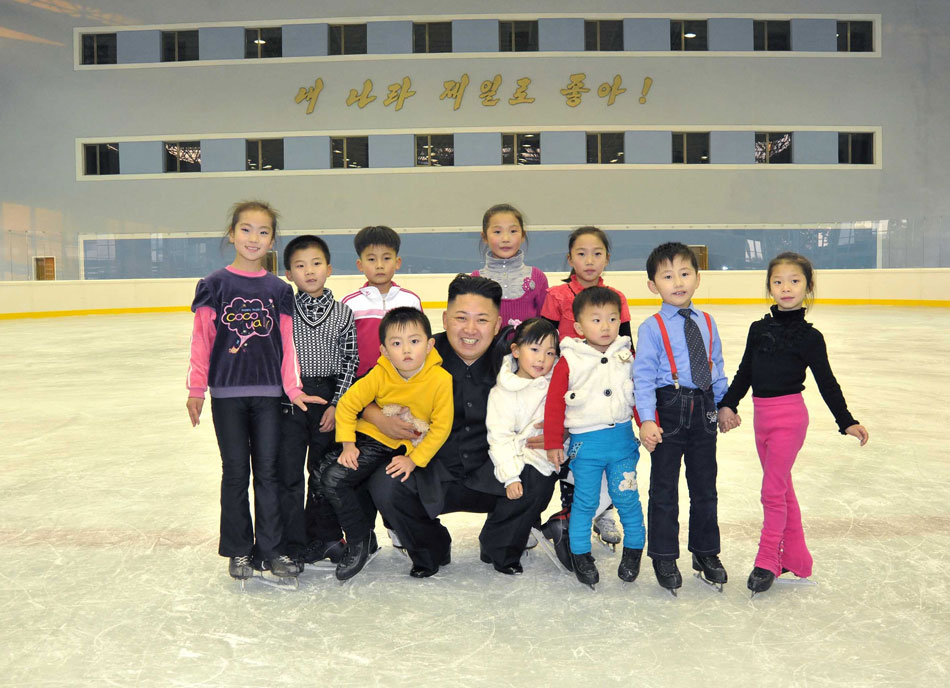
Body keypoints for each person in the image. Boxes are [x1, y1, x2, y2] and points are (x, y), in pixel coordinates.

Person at [365, 274, 556, 577]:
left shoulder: (517, 359)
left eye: (482, 320)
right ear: (444, 318)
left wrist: (561, 430)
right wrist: (376, 416)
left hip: (497, 474)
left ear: (497, 325)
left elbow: (573, 391)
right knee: (386, 484)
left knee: (543, 469)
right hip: (434, 471)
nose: (470, 330)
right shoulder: (418, 352)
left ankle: (501, 545)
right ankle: (430, 547)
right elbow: (363, 393)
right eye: (460, 318)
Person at [185, 201, 322, 584]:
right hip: (226, 395)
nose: (253, 238)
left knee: (268, 473)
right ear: (232, 234)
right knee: (234, 473)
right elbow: (202, 340)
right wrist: (197, 388)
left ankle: (272, 548)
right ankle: (239, 549)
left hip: (268, 397)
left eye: (263, 232)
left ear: (272, 241)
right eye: (246, 229)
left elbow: (286, 345)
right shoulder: (214, 285)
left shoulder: (279, 289)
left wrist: (291, 388)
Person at [717, 252, 869, 596]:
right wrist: (728, 403)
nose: (786, 288)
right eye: (778, 281)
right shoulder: (758, 330)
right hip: (761, 418)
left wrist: (846, 420)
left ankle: (768, 558)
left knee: (771, 491)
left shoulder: (809, 338)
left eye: (795, 281)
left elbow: (826, 382)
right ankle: (797, 559)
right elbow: (746, 373)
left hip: (790, 418)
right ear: (769, 286)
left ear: (808, 287)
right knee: (782, 488)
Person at [321, 307, 453, 581]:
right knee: (325, 475)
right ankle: (356, 538)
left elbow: (441, 427)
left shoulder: (441, 380)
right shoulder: (380, 374)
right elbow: (348, 404)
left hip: (399, 447)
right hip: (368, 439)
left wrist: (414, 459)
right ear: (383, 350)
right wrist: (348, 444)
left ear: (429, 345)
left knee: (346, 482)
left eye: (414, 341)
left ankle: (369, 541)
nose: (406, 350)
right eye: (396, 343)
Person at [633, 241, 729, 595]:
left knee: (705, 487)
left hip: (703, 409)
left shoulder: (707, 321)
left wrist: (724, 404)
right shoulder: (652, 327)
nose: (678, 282)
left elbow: (716, 366)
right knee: (664, 489)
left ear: (697, 278)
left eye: (685, 273)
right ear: (652, 285)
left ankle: (706, 553)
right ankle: (663, 555)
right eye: (668, 275)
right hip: (668, 409)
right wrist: (646, 419)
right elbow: (642, 378)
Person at [538, 226, 632, 555]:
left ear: (607, 258)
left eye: (596, 253)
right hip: (570, 390)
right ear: (569, 258)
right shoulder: (557, 296)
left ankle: (603, 513)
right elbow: (544, 343)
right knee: (574, 458)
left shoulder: (617, 298)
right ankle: (570, 512)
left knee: (609, 457)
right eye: (581, 253)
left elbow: (625, 347)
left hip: (606, 392)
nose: (589, 260)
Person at [544, 287, 646, 588]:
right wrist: (552, 443)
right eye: (597, 320)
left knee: (627, 498)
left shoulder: (627, 356)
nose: (606, 326)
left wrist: (647, 424)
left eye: (613, 319)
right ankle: (580, 553)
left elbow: (639, 396)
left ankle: (634, 550)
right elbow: (554, 404)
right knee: (585, 502)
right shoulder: (569, 360)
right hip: (585, 446)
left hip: (623, 444)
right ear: (578, 327)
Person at [277, 234, 357, 570]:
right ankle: (293, 541)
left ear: (329, 268)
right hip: (292, 398)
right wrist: (289, 392)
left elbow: (350, 361)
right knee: (290, 472)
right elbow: (277, 356)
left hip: (328, 399)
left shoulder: (343, 313)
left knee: (322, 471)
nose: (309, 271)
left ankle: (326, 536)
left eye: (316, 263)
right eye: (299, 265)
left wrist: (337, 404)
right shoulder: (284, 313)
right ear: (288, 275)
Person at [484, 318, 561, 573]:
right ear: (516, 350)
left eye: (550, 353)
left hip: (550, 455)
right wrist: (510, 476)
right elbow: (499, 437)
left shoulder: (557, 383)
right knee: (525, 494)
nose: (542, 359)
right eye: (535, 350)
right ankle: (501, 550)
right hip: (516, 459)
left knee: (538, 495)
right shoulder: (503, 391)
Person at [341, 225, 423, 380]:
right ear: (360, 265)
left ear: (397, 262)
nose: (379, 265)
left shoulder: (411, 300)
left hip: (403, 381)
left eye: (386, 258)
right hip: (360, 382)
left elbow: (421, 342)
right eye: (371, 259)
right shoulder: (349, 303)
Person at [472, 203, 549, 328]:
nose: (506, 238)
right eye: (497, 232)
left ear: (523, 235)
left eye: (513, 231)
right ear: (484, 236)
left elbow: (545, 325)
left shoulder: (537, 277)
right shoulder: (475, 280)